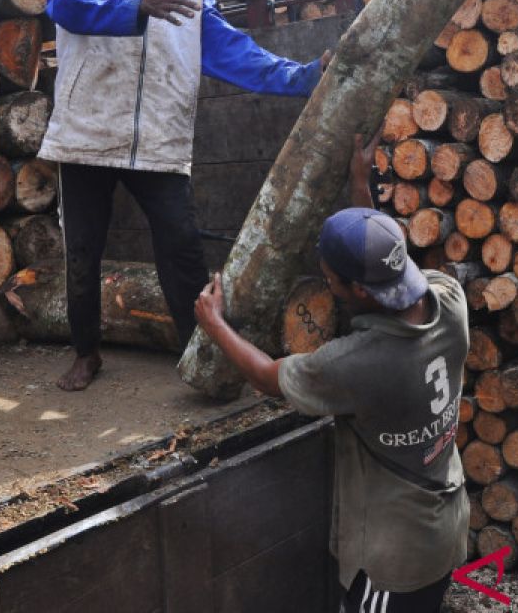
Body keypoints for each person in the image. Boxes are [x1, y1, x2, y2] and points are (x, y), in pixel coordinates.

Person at [38, 0, 329, 391]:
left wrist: (305, 76)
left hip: (160, 142)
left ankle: (203, 358)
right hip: (87, 137)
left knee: (182, 251)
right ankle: (86, 353)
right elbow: (67, 4)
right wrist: (137, 5)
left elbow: (232, 52)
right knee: (83, 252)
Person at [193, 133, 470, 613]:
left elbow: (264, 375)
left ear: (358, 291)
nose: (325, 279)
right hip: (445, 526)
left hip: (393, 563)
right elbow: (383, 267)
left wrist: (215, 324)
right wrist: (360, 191)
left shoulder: (356, 364)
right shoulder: (449, 301)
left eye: (329, 276)